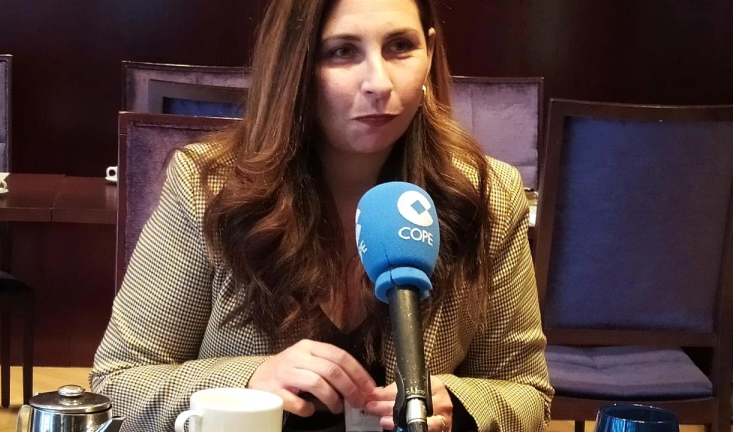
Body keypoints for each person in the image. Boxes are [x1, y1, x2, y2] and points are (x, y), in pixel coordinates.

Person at [90, 0, 553, 430]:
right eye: (342, 52)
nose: (380, 83)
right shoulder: (205, 186)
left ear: (429, 53)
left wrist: (460, 403)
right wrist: (248, 380)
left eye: (400, 46)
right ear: (296, 65)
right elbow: (117, 383)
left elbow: (527, 392)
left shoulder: (489, 194)